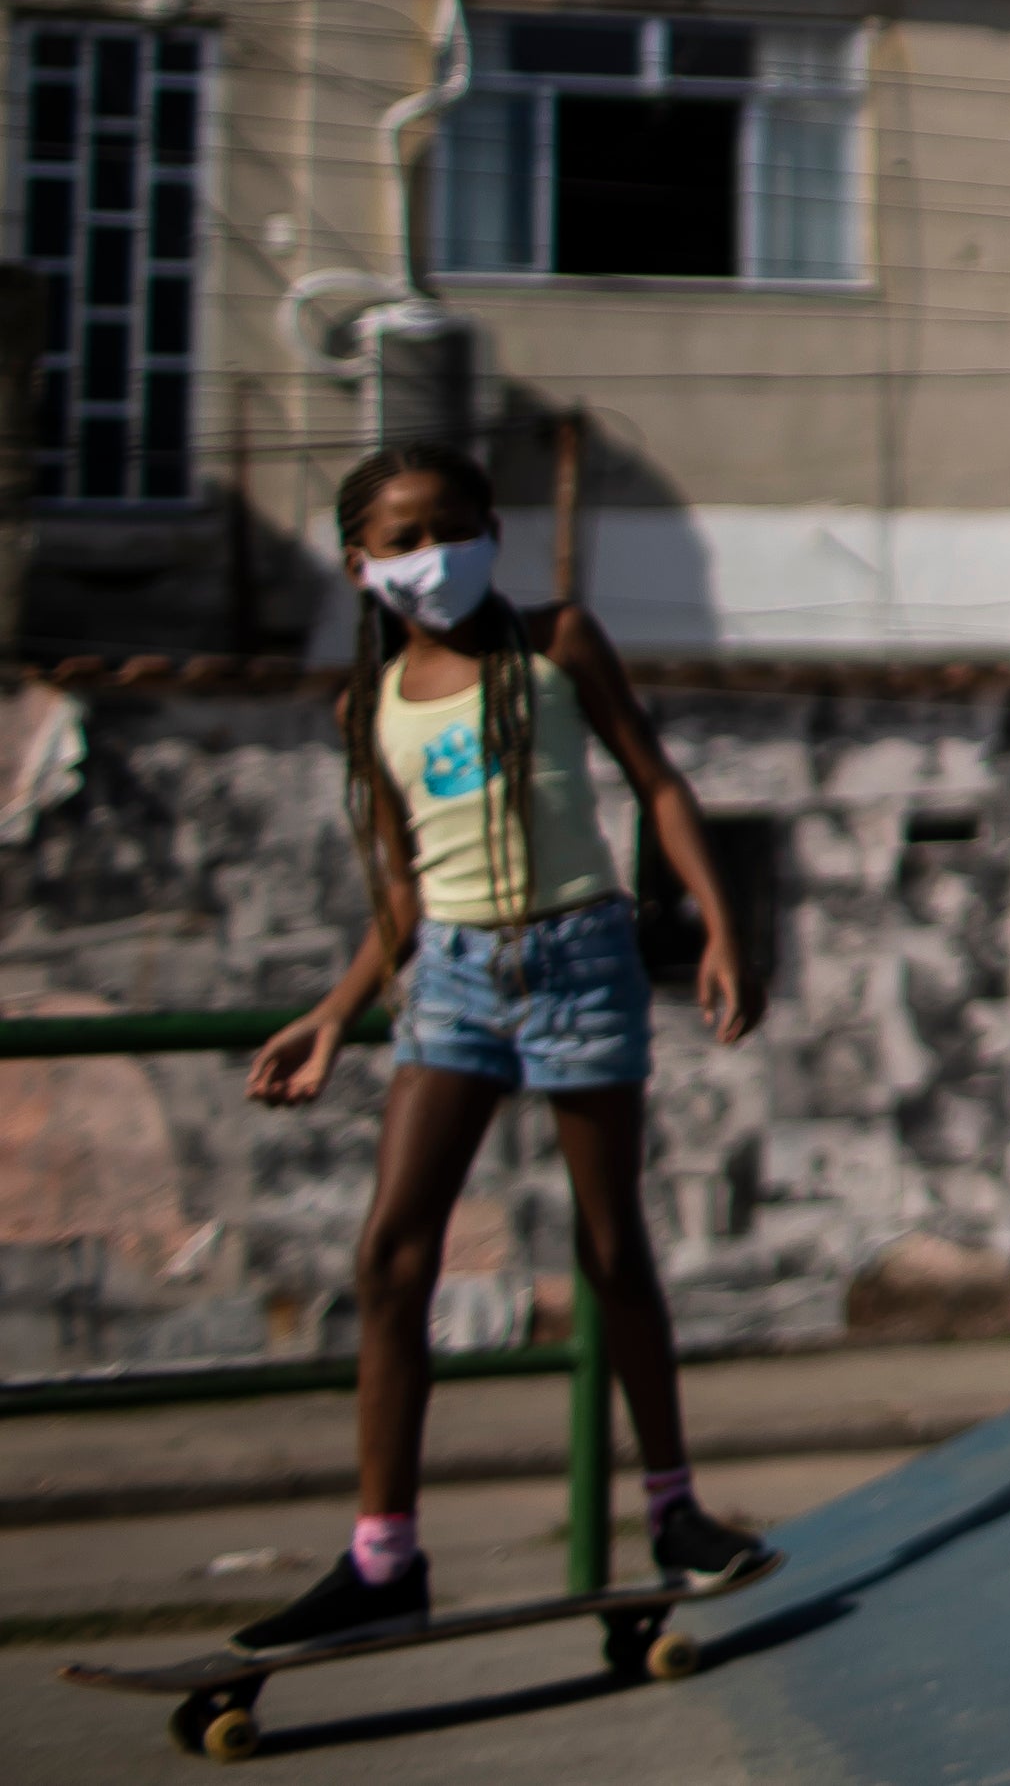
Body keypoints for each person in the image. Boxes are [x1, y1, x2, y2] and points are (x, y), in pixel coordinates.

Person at [235, 442, 771, 1647]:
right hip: (455, 985)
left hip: (582, 959)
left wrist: (721, 926)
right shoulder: (365, 708)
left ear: (491, 532)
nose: (435, 557)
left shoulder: (556, 645)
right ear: (360, 563)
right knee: (390, 1254)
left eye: (456, 528)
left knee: (607, 1244)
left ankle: (676, 1513)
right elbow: (404, 896)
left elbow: (660, 784)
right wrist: (331, 1016)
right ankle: (385, 1559)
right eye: (406, 539)